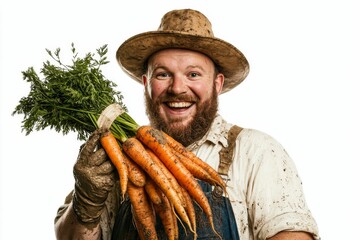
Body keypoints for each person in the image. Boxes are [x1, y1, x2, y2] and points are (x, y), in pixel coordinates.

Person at [54, 9, 320, 240]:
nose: (177, 88)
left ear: (217, 84)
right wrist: (86, 201)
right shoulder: (113, 162)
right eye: (163, 74)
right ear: (146, 85)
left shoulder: (256, 152)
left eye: (193, 74)